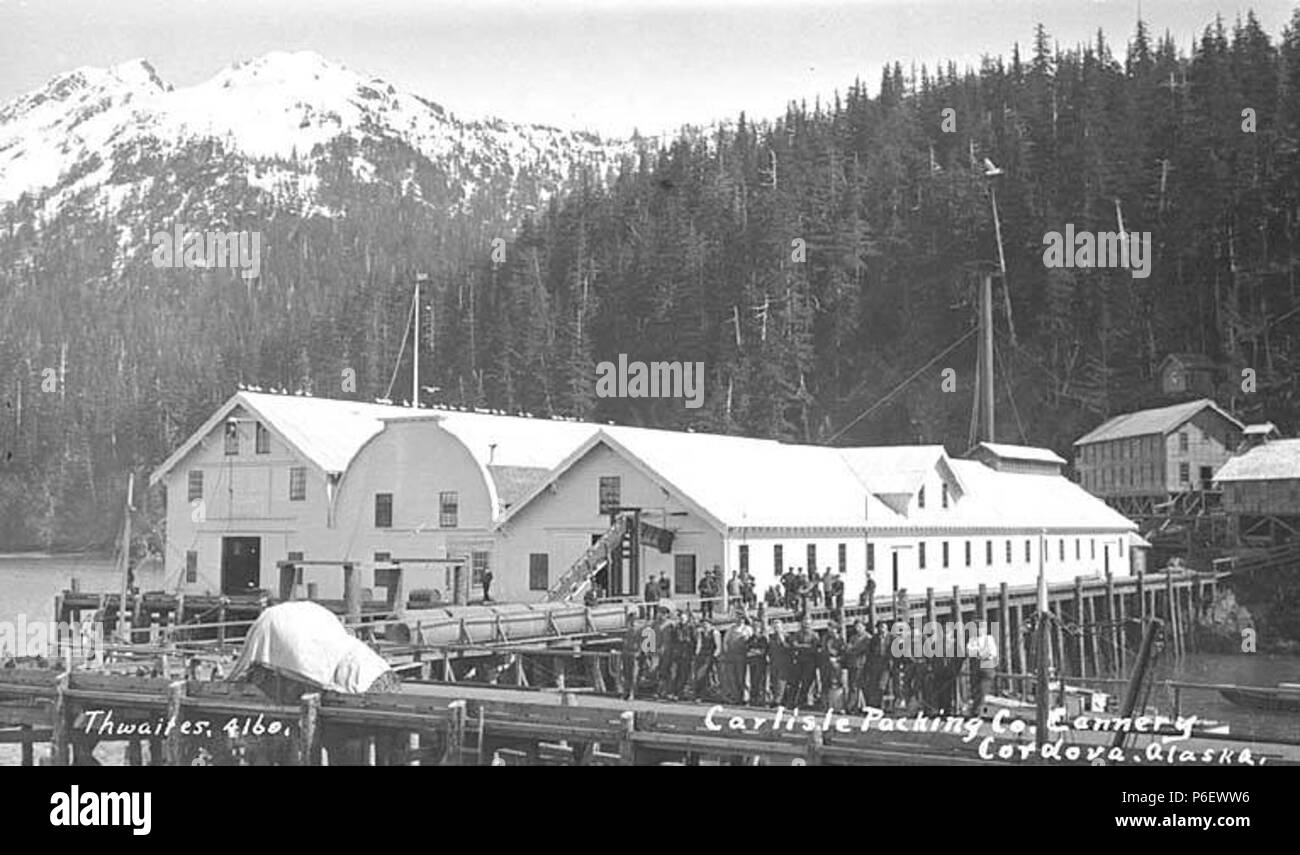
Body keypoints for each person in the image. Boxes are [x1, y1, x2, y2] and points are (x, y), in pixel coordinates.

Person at [719, 616, 753, 704]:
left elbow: (751, 641)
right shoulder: (731, 629)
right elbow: (725, 641)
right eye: (738, 619)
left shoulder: (747, 629)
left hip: (742, 656)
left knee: (742, 677)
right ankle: (735, 697)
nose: (740, 621)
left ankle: (745, 697)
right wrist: (726, 652)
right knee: (732, 677)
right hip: (731, 656)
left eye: (742, 619)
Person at [789, 618, 821, 707]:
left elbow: (814, 648)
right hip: (799, 661)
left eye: (808, 624)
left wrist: (801, 646)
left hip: (810, 662)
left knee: (807, 683)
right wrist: (806, 647)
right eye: (805, 624)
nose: (806, 626)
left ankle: (804, 701)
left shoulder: (814, 635)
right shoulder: (797, 634)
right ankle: (792, 702)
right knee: (795, 682)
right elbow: (794, 645)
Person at [693, 618, 722, 700]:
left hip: (711, 655)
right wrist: (697, 654)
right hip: (702, 655)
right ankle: (699, 694)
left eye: (706, 624)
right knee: (699, 674)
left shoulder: (715, 633)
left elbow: (718, 646)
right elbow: (699, 644)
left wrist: (714, 656)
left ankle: (708, 694)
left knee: (710, 676)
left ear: (710, 624)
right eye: (703, 624)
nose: (705, 626)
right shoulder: (701, 633)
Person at [746, 622, 770, 706]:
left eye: (757, 627)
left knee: (760, 681)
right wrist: (754, 651)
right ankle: (753, 699)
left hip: (761, 663)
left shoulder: (763, 638)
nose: (755, 629)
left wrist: (753, 651)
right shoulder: (751, 638)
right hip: (752, 662)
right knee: (753, 681)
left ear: (760, 629)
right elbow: (747, 651)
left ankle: (761, 699)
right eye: (754, 627)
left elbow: (762, 651)